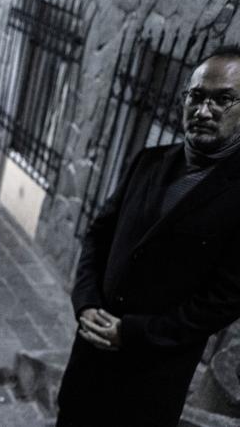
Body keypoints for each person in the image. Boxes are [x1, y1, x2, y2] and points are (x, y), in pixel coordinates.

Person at [56, 45, 240, 427]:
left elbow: (221, 302)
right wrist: (86, 303)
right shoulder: (149, 161)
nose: (203, 111)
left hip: (147, 387)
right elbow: (98, 235)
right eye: (196, 96)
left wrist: (131, 333)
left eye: (223, 99)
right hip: (87, 366)